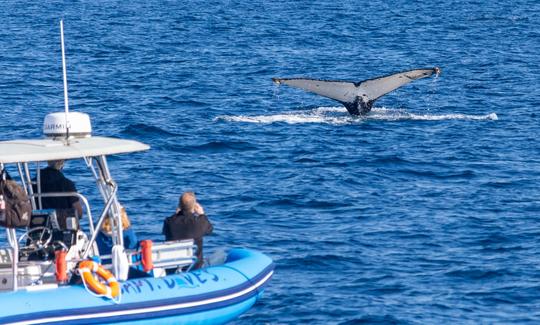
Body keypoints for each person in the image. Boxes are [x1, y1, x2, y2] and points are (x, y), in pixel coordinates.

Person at [163, 192, 213, 270]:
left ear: (179, 205)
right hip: (194, 266)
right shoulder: (199, 222)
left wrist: (176, 214)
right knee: (220, 255)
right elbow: (210, 230)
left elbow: (165, 232)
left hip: (173, 265)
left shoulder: (168, 221)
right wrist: (202, 214)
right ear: (194, 206)